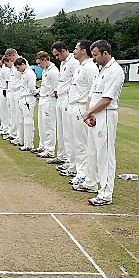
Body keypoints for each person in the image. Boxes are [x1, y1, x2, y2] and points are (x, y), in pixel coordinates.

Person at [81, 40, 124, 206]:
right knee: (92, 151)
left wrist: (90, 112)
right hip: (95, 115)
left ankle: (106, 194)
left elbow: (107, 99)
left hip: (106, 114)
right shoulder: (101, 70)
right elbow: (93, 94)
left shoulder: (115, 71)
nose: (94, 58)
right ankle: (91, 183)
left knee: (105, 154)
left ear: (105, 53)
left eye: (96, 55)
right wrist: (89, 112)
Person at [69, 40, 99, 186]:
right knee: (78, 143)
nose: (73, 51)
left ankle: (85, 174)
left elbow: (93, 91)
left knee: (83, 143)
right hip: (75, 106)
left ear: (83, 51)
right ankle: (81, 172)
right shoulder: (81, 67)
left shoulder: (90, 68)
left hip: (82, 107)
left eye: (76, 48)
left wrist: (88, 111)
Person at [51, 41, 79, 169]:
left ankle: (70, 159)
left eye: (57, 55)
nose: (56, 58)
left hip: (68, 98)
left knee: (68, 131)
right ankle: (62, 155)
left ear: (63, 51)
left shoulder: (74, 62)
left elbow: (76, 81)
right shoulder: (63, 63)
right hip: (60, 98)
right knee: (61, 130)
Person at [34, 51, 59, 158]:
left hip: (50, 100)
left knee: (49, 126)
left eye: (40, 63)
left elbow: (56, 89)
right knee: (42, 124)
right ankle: (43, 145)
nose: (39, 65)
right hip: (43, 99)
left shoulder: (53, 71)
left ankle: (50, 150)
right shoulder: (45, 70)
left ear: (45, 60)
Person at [14, 57, 38, 151]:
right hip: (23, 98)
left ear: (23, 64)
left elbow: (32, 87)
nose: (17, 69)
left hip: (28, 98)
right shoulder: (23, 73)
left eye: (18, 67)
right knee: (22, 120)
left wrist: (35, 93)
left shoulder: (30, 73)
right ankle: (23, 141)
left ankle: (29, 144)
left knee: (28, 121)